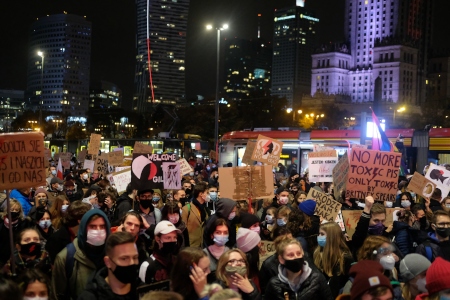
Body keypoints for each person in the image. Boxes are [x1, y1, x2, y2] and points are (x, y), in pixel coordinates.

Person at [52, 209, 111, 300]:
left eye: (102, 226)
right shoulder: (66, 257)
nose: (98, 231)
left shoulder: (113, 255)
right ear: (83, 229)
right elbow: (58, 294)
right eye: (93, 227)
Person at [264, 238, 333, 300]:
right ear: (281, 259)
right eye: (291, 255)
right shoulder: (274, 284)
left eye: (298, 253)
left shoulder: (317, 279)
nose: (296, 257)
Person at [78, 231, 139, 300]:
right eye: (124, 259)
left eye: (135, 257)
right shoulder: (89, 297)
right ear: (108, 262)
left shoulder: (143, 291)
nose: (132, 263)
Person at [313, 222, 354, 298]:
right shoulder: (317, 254)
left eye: (322, 234)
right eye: (319, 234)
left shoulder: (345, 259)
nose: (319, 237)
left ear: (332, 237)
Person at [139, 220, 180, 285]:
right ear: (158, 239)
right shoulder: (147, 265)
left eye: (175, 237)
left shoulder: (177, 261)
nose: (172, 241)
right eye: (168, 238)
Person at [0, 199, 34, 267]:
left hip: (19, 257)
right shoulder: (1, 225)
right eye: (12, 210)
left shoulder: (24, 224)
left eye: (16, 210)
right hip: (2, 258)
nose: (14, 212)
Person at [182, 182, 211, 248]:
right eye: (207, 193)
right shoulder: (187, 209)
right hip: (191, 246)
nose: (208, 195)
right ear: (201, 194)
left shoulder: (206, 210)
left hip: (203, 246)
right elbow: (183, 230)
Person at [203, 218, 230, 283]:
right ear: (212, 235)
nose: (222, 235)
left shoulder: (231, 253)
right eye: (218, 232)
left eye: (225, 232)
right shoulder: (204, 254)